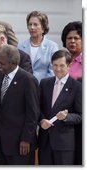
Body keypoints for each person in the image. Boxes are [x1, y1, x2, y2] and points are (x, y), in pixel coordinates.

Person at [0, 44, 39, 165]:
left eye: (2, 63)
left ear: (13, 63)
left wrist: (26, 139)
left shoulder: (28, 80)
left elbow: (33, 113)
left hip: (20, 144)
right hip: (0, 143)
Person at [38, 50, 82, 165]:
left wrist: (67, 117)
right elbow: (38, 108)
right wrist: (41, 120)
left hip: (64, 144)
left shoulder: (77, 87)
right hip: (45, 142)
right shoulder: (44, 83)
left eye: (62, 65)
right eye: (55, 65)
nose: (57, 69)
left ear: (69, 65)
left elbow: (81, 115)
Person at [61, 21, 82, 165]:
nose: (72, 41)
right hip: (65, 117)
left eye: (77, 38)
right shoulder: (61, 60)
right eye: (69, 38)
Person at [18, 11, 58, 82]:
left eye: (35, 25)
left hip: (44, 88)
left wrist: (43, 86)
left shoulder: (52, 46)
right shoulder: (21, 46)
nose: (32, 27)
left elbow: (53, 70)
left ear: (43, 28)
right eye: (30, 24)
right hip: (25, 87)